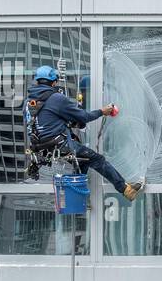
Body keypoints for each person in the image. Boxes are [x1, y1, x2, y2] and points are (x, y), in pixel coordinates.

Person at [25, 65, 144, 201]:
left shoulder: (29, 103)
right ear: (54, 82)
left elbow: (45, 122)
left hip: (42, 149)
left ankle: (78, 199)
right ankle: (126, 189)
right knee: (97, 159)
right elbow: (84, 117)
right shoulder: (56, 98)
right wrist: (102, 111)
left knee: (84, 162)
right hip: (60, 145)